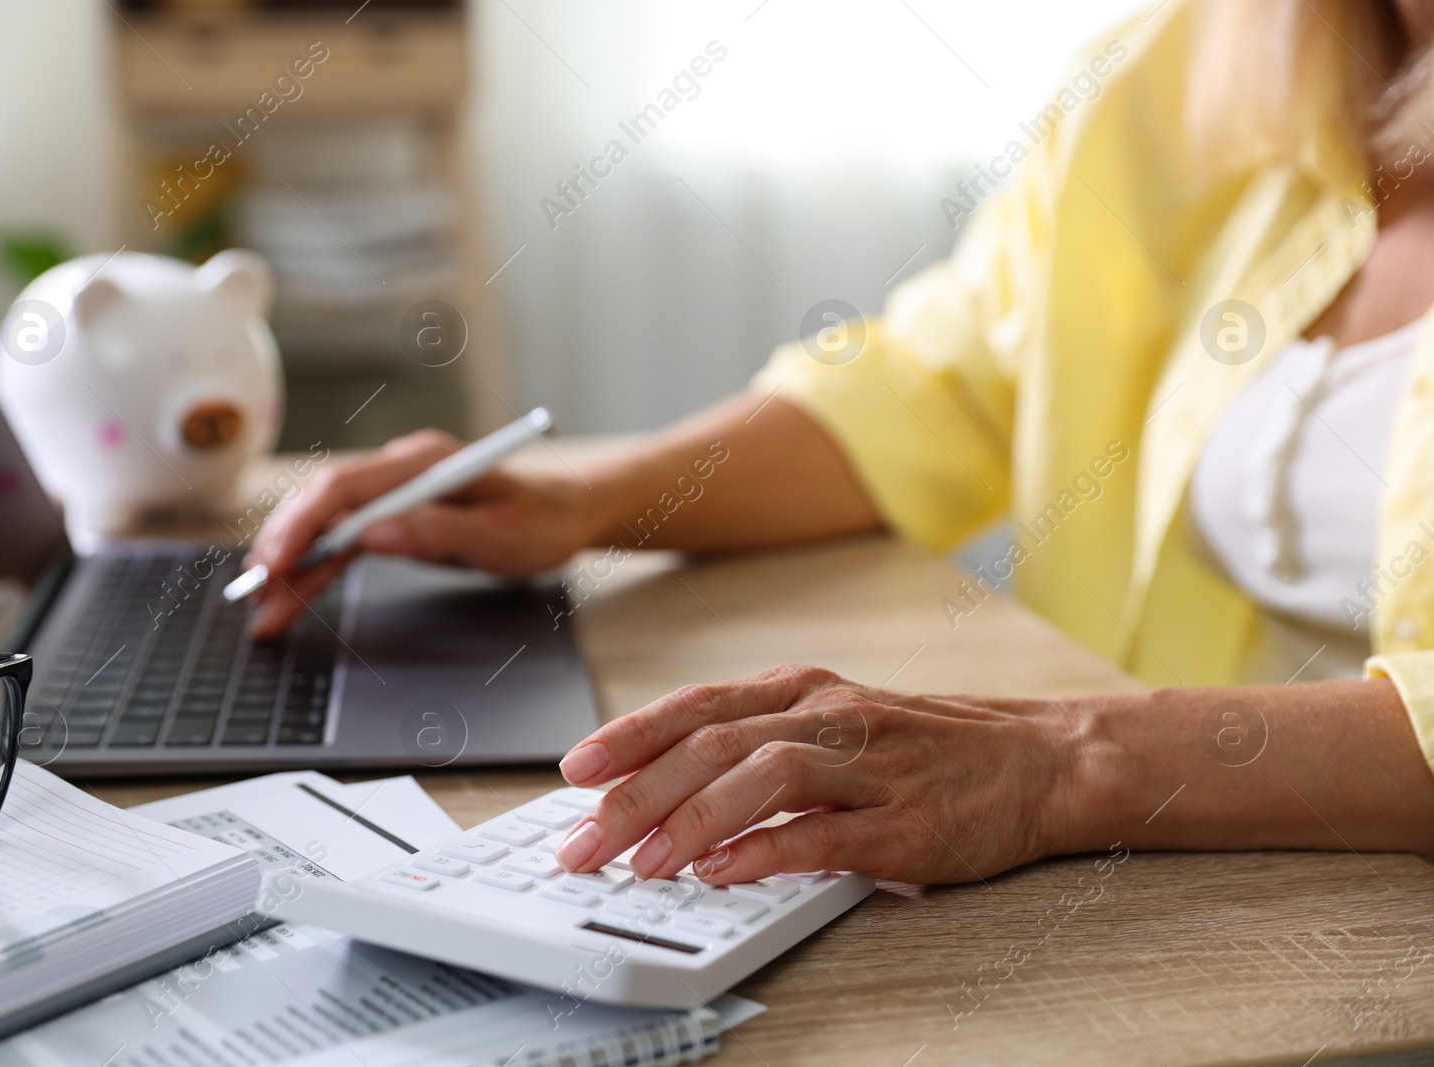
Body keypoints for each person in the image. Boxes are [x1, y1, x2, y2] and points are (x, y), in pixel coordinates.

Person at [246, 0, 1434, 886]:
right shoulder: (1187, 70)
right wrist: (587, 500)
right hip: (1203, 870)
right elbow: (949, 381)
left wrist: (1063, 762)